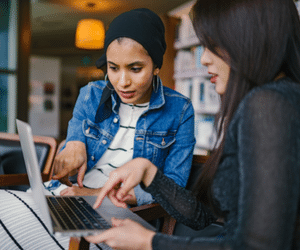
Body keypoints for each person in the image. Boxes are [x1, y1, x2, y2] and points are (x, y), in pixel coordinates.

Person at [84, 0, 300, 249]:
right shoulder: (276, 101)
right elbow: (201, 217)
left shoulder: (269, 104)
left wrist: (149, 242)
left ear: (249, 38)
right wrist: (149, 173)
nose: (204, 59)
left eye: (213, 45)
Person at [0, 8, 196, 250]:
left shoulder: (180, 110)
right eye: (113, 68)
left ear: (156, 65)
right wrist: (73, 143)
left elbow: (172, 188)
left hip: (124, 216)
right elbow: (74, 139)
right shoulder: (91, 94)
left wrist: (91, 193)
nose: (122, 82)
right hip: (70, 198)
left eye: (135, 69)